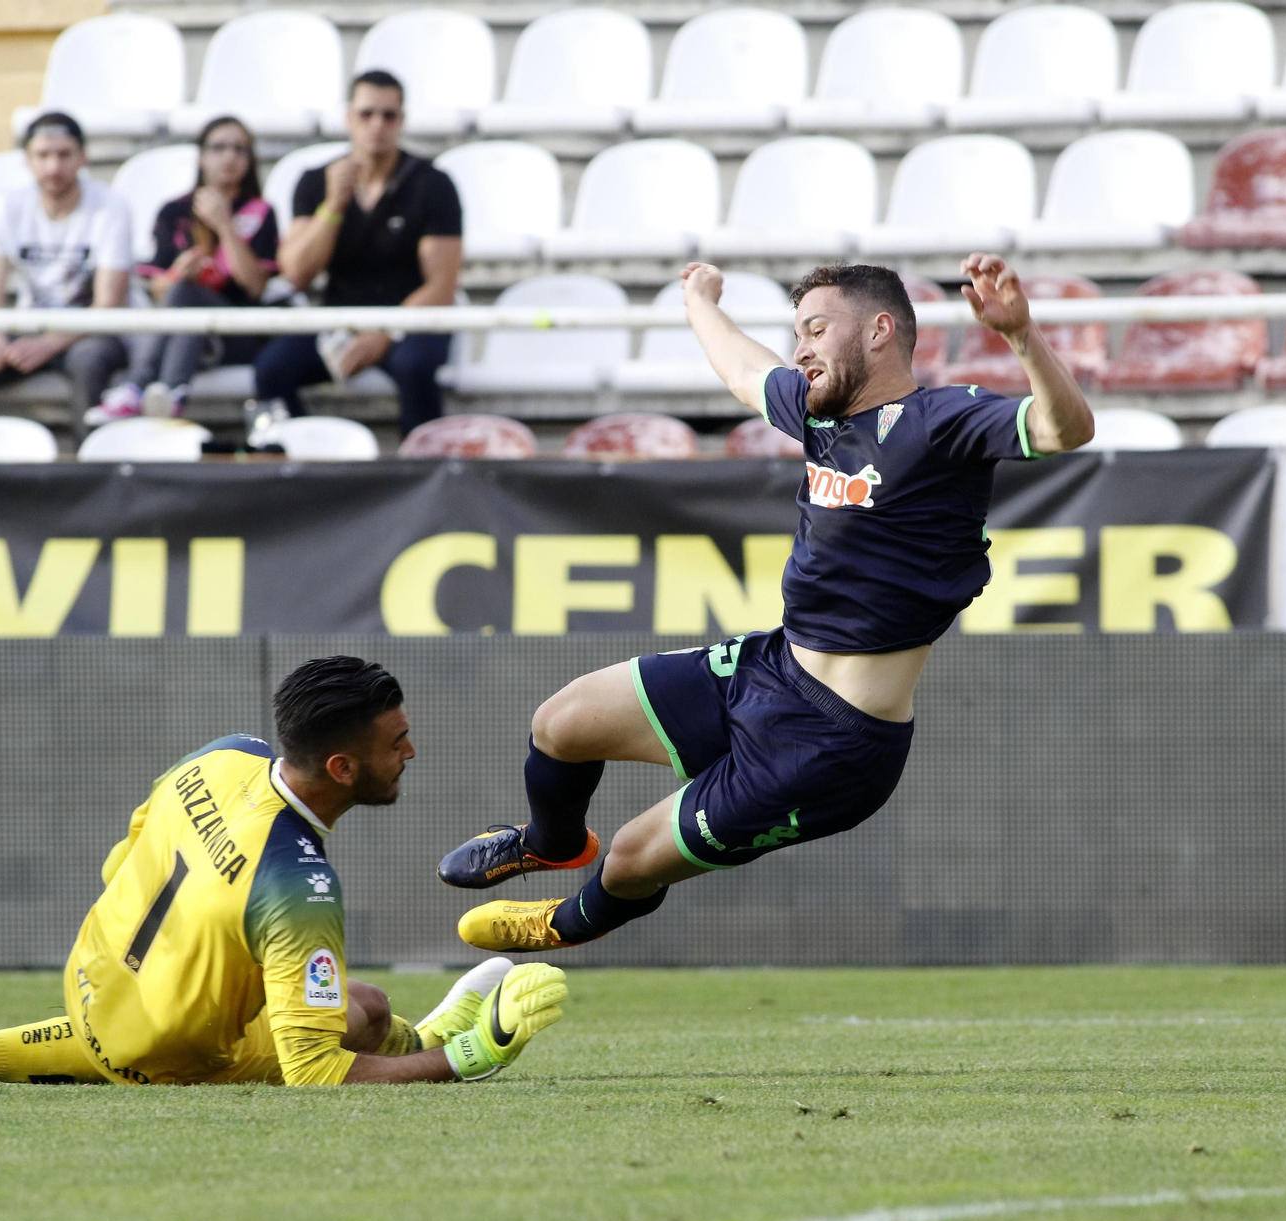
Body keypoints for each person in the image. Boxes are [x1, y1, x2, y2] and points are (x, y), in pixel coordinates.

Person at [440, 256, 1096, 952]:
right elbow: (740, 370)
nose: (802, 348)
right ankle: (549, 842)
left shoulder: (940, 420)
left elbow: (1066, 430)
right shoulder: (821, 414)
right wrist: (699, 301)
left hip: (832, 744)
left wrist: (1022, 338)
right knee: (562, 721)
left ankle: (561, 925)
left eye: (817, 329)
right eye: (797, 333)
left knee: (631, 860)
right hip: (769, 668)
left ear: (879, 331)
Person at [0, 656, 567, 1090]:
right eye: (398, 742)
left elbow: (121, 858)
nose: (411, 752)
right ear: (342, 768)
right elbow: (315, 1075)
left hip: (92, 978)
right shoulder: (299, 885)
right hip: (157, 1052)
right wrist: (473, 1060)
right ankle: (444, 1039)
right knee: (360, 1015)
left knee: (353, 1000)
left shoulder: (223, 753)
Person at [253, 70, 462, 436]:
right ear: (349, 117)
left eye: (389, 115)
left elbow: (442, 286)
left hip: (411, 319)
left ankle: (424, 472)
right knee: (272, 369)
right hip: (340, 318)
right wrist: (334, 204)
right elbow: (296, 273)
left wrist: (384, 332)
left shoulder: (433, 183)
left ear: (402, 120)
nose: (377, 125)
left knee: (415, 366)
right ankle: (302, 460)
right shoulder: (318, 180)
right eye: (367, 114)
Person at [0, 112, 132, 428]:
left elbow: (108, 304)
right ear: (27, 161)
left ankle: (90, 469)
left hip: (91, 332)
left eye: (64, 154)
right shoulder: (7, 207)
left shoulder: (110, 206)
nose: (53, 167)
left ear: (83, 158)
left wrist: (47, 343)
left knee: (90, 361)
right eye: (43, 155)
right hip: (31, 326)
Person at [91, 116, 279, 422]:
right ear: (201, 156)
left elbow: (256, 287)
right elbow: (158, 289)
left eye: (239, 149)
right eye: (219, 148)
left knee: (186, 297)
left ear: (250, 159)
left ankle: (138, 386)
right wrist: (179, 273)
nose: (229, 156)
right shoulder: (173, 211)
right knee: (184, 300)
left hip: (237, 332)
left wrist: (225, 226)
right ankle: (171, 392)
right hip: (190, 334)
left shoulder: (262, 211)